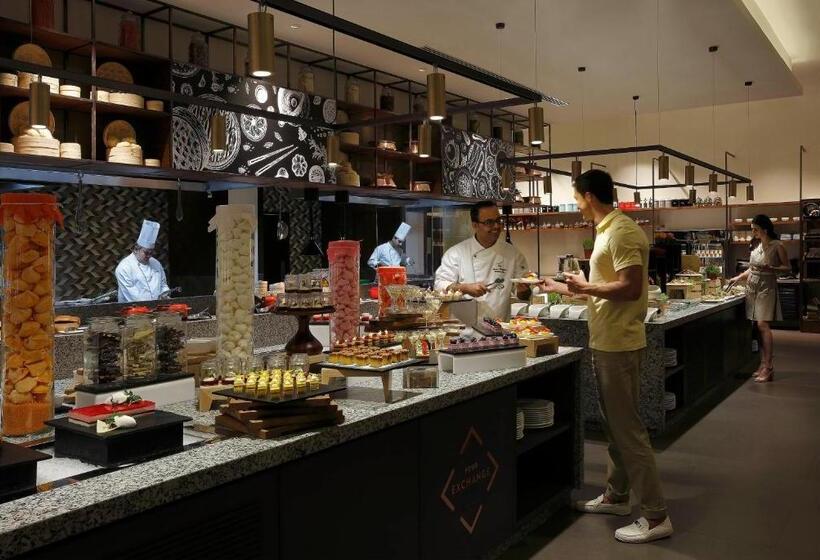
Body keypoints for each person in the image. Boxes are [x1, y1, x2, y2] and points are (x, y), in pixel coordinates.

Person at [542, 169, 672, 543]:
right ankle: (617, 496)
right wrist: (571, 288)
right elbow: (607, 286)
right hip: (607, 339)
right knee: (614, 426)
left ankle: (656, 515)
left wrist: (586, 287)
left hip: (619, 343)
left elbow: (630, 289)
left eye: (576, 198)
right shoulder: (606, 230)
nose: (577, 205)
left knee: (628, 430)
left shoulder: (623, 232)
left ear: (589, 196)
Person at [434, 200, 531, 321]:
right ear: (475, 225)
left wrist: (523, 289)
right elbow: (440, 286)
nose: (496, 226)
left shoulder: (513, 254)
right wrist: (465, 288)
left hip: (499, 327)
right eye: (489, 222)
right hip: (464, 328)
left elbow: (524, 296)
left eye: (498, 221)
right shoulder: (455, 253)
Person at [727, 214, 789, 383]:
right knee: (757, 326)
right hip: (752, 287)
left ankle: (768, 367)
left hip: (766, 286)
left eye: (755, 229)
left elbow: (787, 268)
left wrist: (772, 268)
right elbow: (752, 269)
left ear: (765, 229)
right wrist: (738, 277)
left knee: (762, 325)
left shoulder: (777, 246)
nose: (753, 232)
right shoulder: (757, 245)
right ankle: (762, 364)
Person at [115, 219, 170, 303]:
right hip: (132, 309)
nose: (149, 256)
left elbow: (163, 285)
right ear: (136, 249)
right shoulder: (124, 267)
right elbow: (133, 297)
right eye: (146, 253)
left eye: (151, 253)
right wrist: (152, 305)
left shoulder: (156, 263)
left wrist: (165, 294)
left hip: (157, 308)